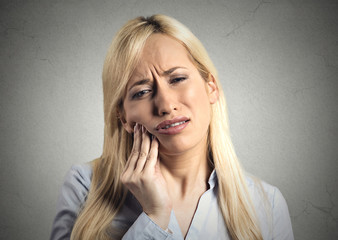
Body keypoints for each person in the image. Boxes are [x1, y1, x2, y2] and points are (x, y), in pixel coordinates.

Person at [50, 15, 294, 240]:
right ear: (123, 117)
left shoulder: (267, 204)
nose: (166, 105)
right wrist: (154, 217)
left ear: (211, 87)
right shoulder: (85, 186)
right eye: (142, 92)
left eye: (177, 79)